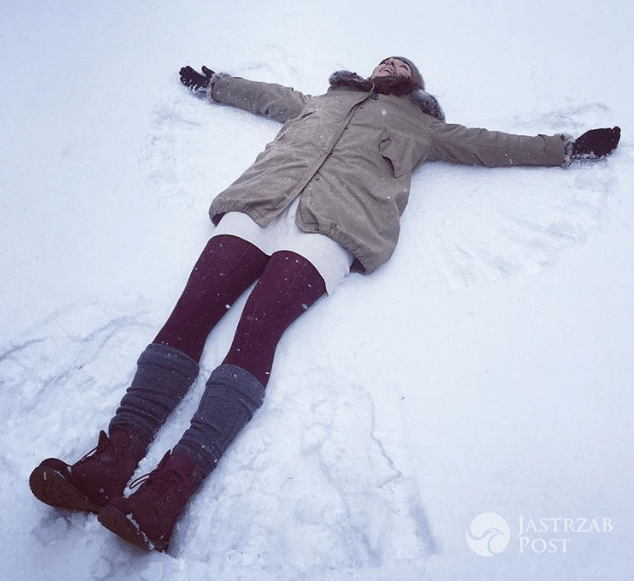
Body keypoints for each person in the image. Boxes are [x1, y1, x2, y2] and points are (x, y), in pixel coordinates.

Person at [28, 57, 621, 552]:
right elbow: (265, 96)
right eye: (383, 59)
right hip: (259, 206)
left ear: (414, 86)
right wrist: (215, 85)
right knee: (188, 317)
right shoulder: (325, 99)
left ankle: (167, 492)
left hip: (330, 230)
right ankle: (110, 462)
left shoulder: (423, 127)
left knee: (253, 337)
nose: (389, 64)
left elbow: (489, 145)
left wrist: (566, 148)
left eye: (402, 65)